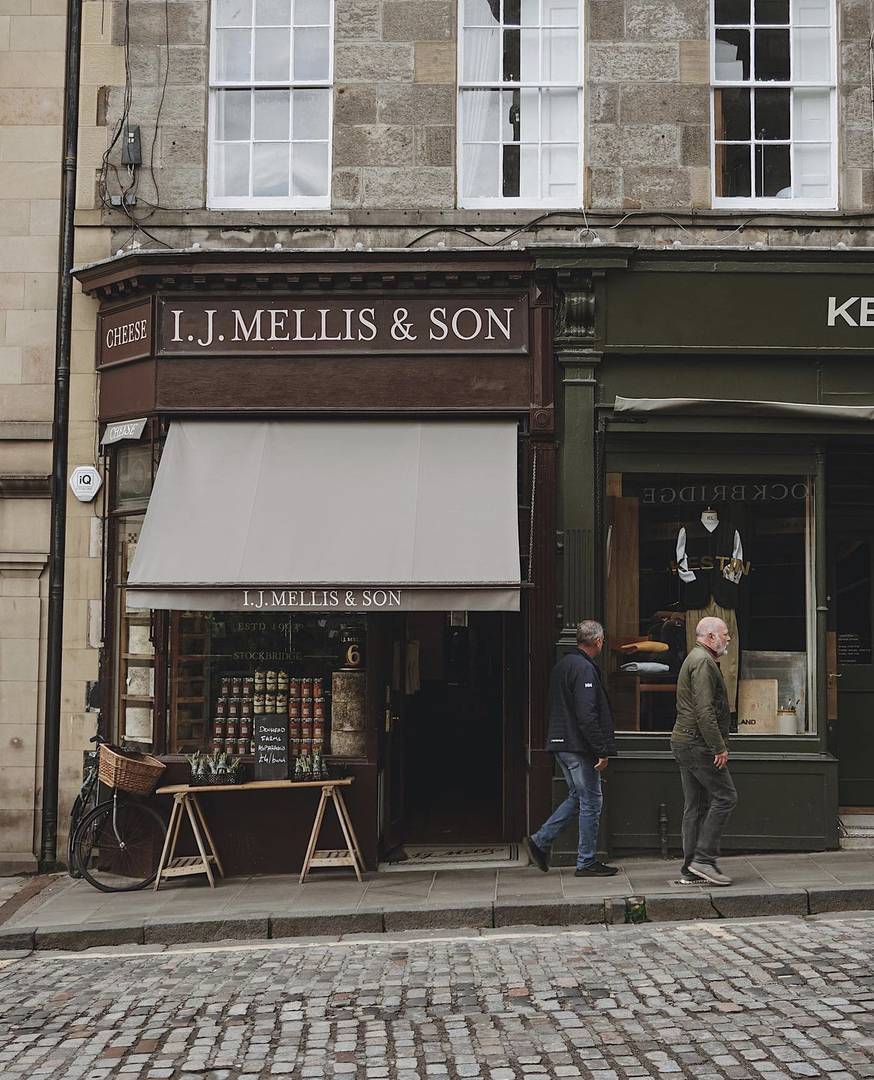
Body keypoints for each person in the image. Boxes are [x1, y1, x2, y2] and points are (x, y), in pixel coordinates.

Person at [525, 620, 618, 877]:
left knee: (578, 797)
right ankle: (586, 861)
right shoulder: (585, 670)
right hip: (578, 747)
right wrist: (601, 749)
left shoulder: (563, 665)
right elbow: (587, 714)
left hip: (560, 743)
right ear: (598, 641)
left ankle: (540, 841)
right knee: (591, 800)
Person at [671, 615, 739, 886]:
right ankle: (704, 860)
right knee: (726, 797)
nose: (728, 639)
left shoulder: (698, 659)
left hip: (686, 741)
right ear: (710, 637)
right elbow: (704, 710)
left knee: (696, 806)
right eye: (724, 634)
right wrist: (718, 747)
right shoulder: (702, 662)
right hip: (697, 744)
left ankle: (691, 869)